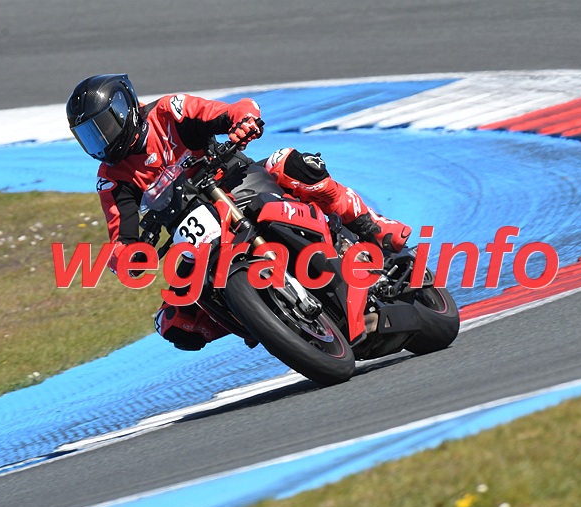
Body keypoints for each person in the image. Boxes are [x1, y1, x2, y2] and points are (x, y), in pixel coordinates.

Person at [66, 73, 412, 351]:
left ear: (124, 109)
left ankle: (373, 226)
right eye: (90, 137)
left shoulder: (169, 111)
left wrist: (243, 121)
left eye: (104, 128)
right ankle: (269, 320)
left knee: (291, 163)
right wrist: (126, 257)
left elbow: (229, 111)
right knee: (174, 323)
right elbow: (121, 235)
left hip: (237, 184)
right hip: (194, 225)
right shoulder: (111, 177)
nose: (102, 141)